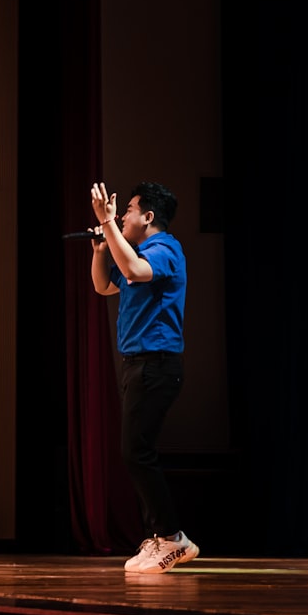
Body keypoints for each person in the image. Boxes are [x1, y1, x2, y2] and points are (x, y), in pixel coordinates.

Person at [89, 180, 199, 573]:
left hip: (157, 362)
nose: (121, 216)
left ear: (149, 217)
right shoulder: (132, 252)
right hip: (137, 364)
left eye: (128, 211)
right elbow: (103, 285)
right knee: (135, 451)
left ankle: (171, 538)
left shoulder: (165, 248)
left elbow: (135, 269)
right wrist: (102, 244)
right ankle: (163, 536)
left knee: (136, 452)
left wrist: (108, 225)